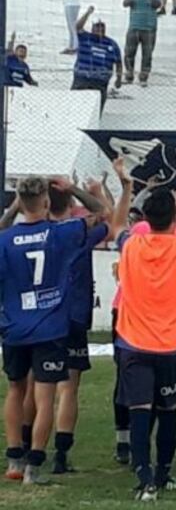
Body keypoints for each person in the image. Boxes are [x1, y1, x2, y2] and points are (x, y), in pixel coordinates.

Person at [110, 156, 176, 501]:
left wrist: (126, 187)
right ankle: (164, 473)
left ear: (144, 219)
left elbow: (115, 226)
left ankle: (145, 478)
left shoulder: (131, 244)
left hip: (134, 342)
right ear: (175, 219)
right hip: (173, 344)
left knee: (140, 410)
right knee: (169, 411)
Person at [1, 177, 101, 485]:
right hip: (49, 327)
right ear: (45, 202)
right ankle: (35, 466)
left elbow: (4, 226)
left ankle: (14, 460)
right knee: (45, 397)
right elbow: (102, 212)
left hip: (15, 327)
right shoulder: (60, 233)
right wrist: (72, 190)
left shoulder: (5, 239)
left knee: (16, 390)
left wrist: (14, 206)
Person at [39, 180, 108, 476]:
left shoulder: (37, 233)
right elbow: (107, 215)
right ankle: (61, 455)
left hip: (41, 317)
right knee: (68, 388)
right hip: (74, 315)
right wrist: (87, 192)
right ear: (69, 204)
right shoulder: (79, 234)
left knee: (37, 387)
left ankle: (31, 451)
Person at [71, 6, 123, 111]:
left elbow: (118, 62)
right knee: (75, 106)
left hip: (100, 82)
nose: (100, 29)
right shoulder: (85, 37)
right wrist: (87, 13)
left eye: (102, 26)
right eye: (97, 26)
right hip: (82, 79)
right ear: (92, 27)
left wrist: (119, 78)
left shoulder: (112, 44)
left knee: (96, 109)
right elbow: (76, 27)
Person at [122, 0, 163, 87]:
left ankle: (143, 76)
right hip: (134, 27)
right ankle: (129, 75)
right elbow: (125, 4)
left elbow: (158, 4)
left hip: (149, 29)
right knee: (129, 53)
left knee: (147, 54)